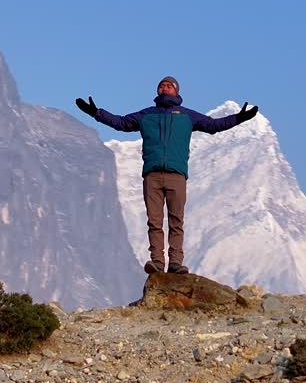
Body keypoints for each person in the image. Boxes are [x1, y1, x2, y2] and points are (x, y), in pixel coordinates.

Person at [76, 76, 258, 274]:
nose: (164, 88)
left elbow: (213, 126)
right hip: (152, 175)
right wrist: (96, 113)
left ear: (177, 91)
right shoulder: (146, 115)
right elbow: (121, 123)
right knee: (154, 221)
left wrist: (239, 118)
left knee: (176, 221)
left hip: (176, 175)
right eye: (161, 85)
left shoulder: (187, 116)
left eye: (169, 86)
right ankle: (157, 262)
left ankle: (176, 263)